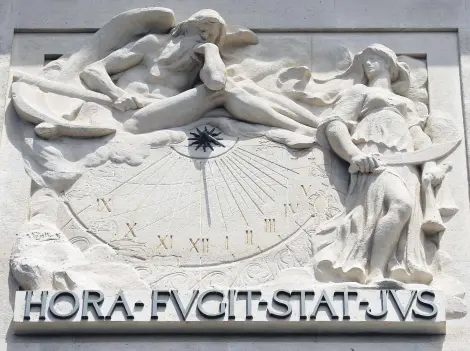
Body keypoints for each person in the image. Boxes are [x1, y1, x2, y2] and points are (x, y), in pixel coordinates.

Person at [313, 44, 445, 284]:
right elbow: (335, 125)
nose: (369, 63)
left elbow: (418, 137)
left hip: (406, 162)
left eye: (375, 58)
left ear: (389, 65)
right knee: (400, 205)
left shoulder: (406, 104)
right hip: (375, 160)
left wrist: (429, 165)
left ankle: (389, 269)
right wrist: (353, 155)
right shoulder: (360, 92)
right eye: (366, 60)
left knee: (404, 211)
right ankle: (373, 272)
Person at [79, 9, 319, 136]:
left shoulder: (198, 63)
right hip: (131, 120)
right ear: (183, 29)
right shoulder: (150, 44)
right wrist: (116, 94)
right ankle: (297, 129)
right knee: (222, 93)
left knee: (242, 84)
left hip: (163, 112)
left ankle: (317, 124)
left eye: (212, 35)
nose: (204, 37)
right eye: (201, 31)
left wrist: (210, 51)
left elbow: (215, 80)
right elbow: (93, 70)